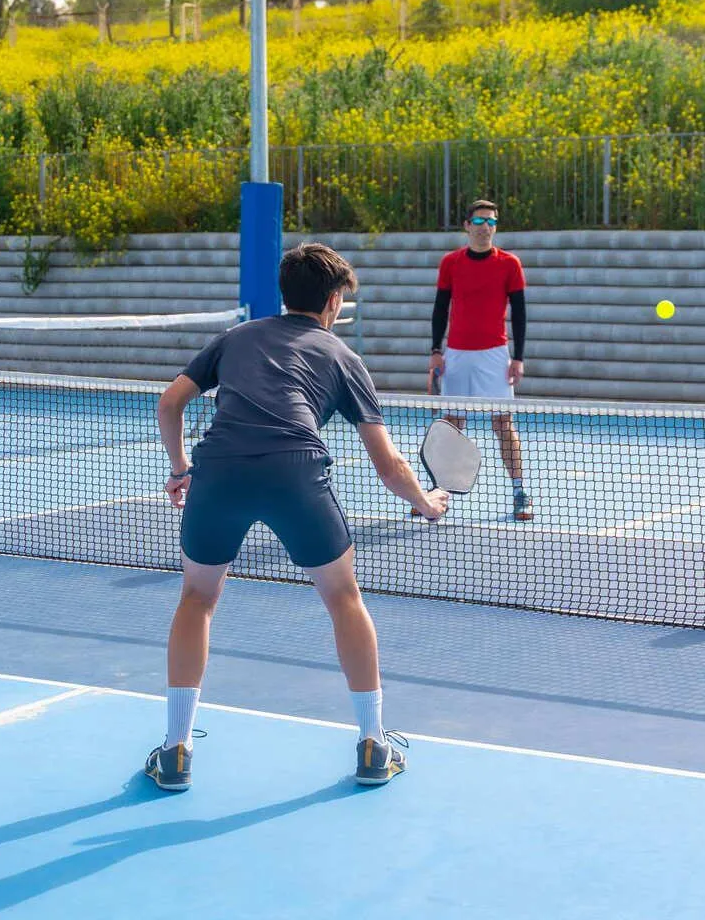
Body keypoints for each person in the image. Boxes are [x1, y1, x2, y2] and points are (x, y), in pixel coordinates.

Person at [147, 243, 449, 792]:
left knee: (197, 598)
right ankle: (374, 746)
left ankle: (175, 751)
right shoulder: (342, 357)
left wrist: (181, 468)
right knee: (343, 599)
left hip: (220, 472)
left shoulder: (236, 338)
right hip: (296, 474)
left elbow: (170, 404)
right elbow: (388, 464)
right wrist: (425, 502)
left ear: (285, 294)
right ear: (334, 302)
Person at [429, 200, 532, 520]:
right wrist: (436, 351)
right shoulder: (450, 263)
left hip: (494, 356)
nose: (485, 226)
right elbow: (440, 309)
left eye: (491, 221)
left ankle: (519, 490)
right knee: (452, 425)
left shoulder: (510, 264)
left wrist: (518, 357)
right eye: (479, 220)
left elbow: (520, 313)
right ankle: (439, 492)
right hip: (457, 355)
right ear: (466, 225)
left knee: (503, 424)